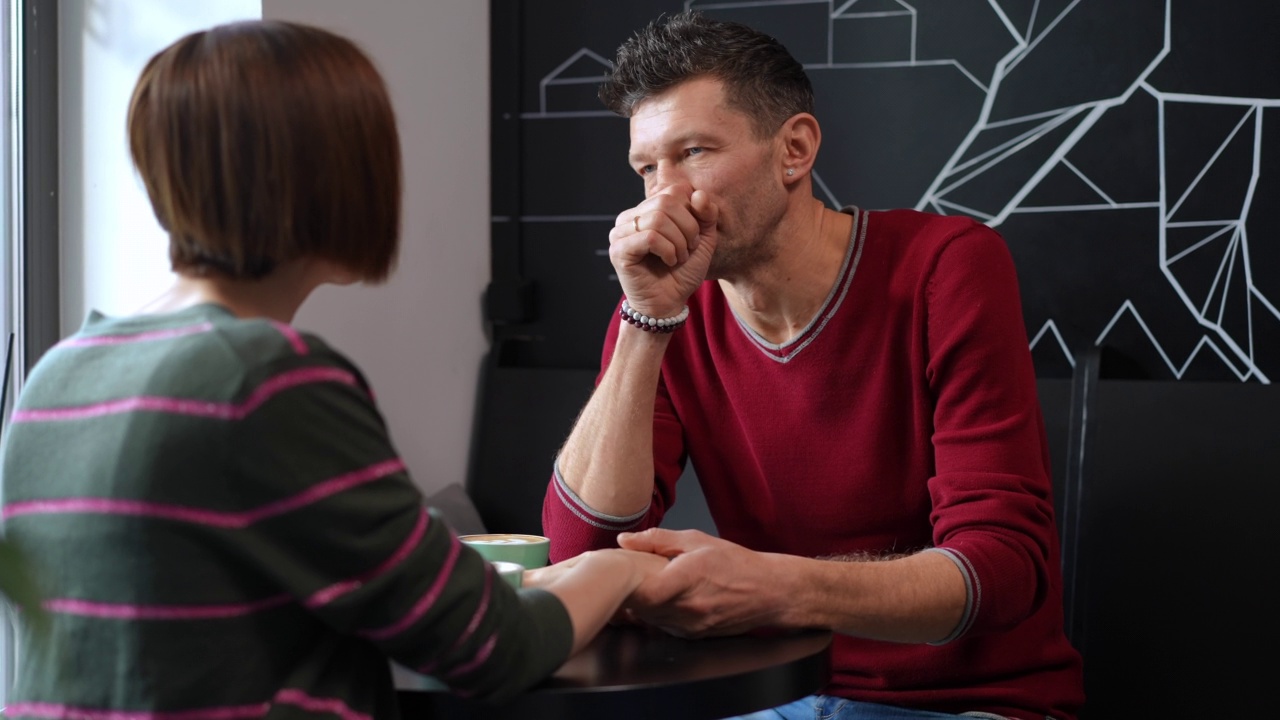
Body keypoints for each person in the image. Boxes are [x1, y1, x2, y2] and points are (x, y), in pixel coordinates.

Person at [0, 20, 665, 719]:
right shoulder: (262, 378)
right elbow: (488, 648)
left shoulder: (57, 375)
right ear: (328, 176)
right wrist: (619, 568)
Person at [541, 10, 1085, 720]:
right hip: (776, 696)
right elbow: (581, 554)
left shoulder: (946, 268)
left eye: (694, 153)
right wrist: (645, 324)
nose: (662, 197)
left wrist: (775, 587)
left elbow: (1004, 571)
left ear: (793, 149)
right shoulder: (663, 310)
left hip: (965, 702)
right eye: (647, 167)